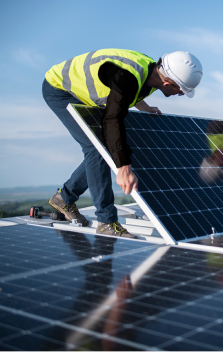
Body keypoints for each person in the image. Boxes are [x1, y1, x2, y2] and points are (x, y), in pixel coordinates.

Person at [43, 49, 203, 238]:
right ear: (168, 82)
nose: (181, 94)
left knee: (107, 146)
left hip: (85, 92)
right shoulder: (127, 77)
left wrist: (144, 107)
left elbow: (131, 91)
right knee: (97, 148)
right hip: (60, 89)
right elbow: (112, 120)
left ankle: (64, 198)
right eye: (181, 90)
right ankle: (106, 222)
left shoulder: (154, 71)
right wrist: (123, 167)